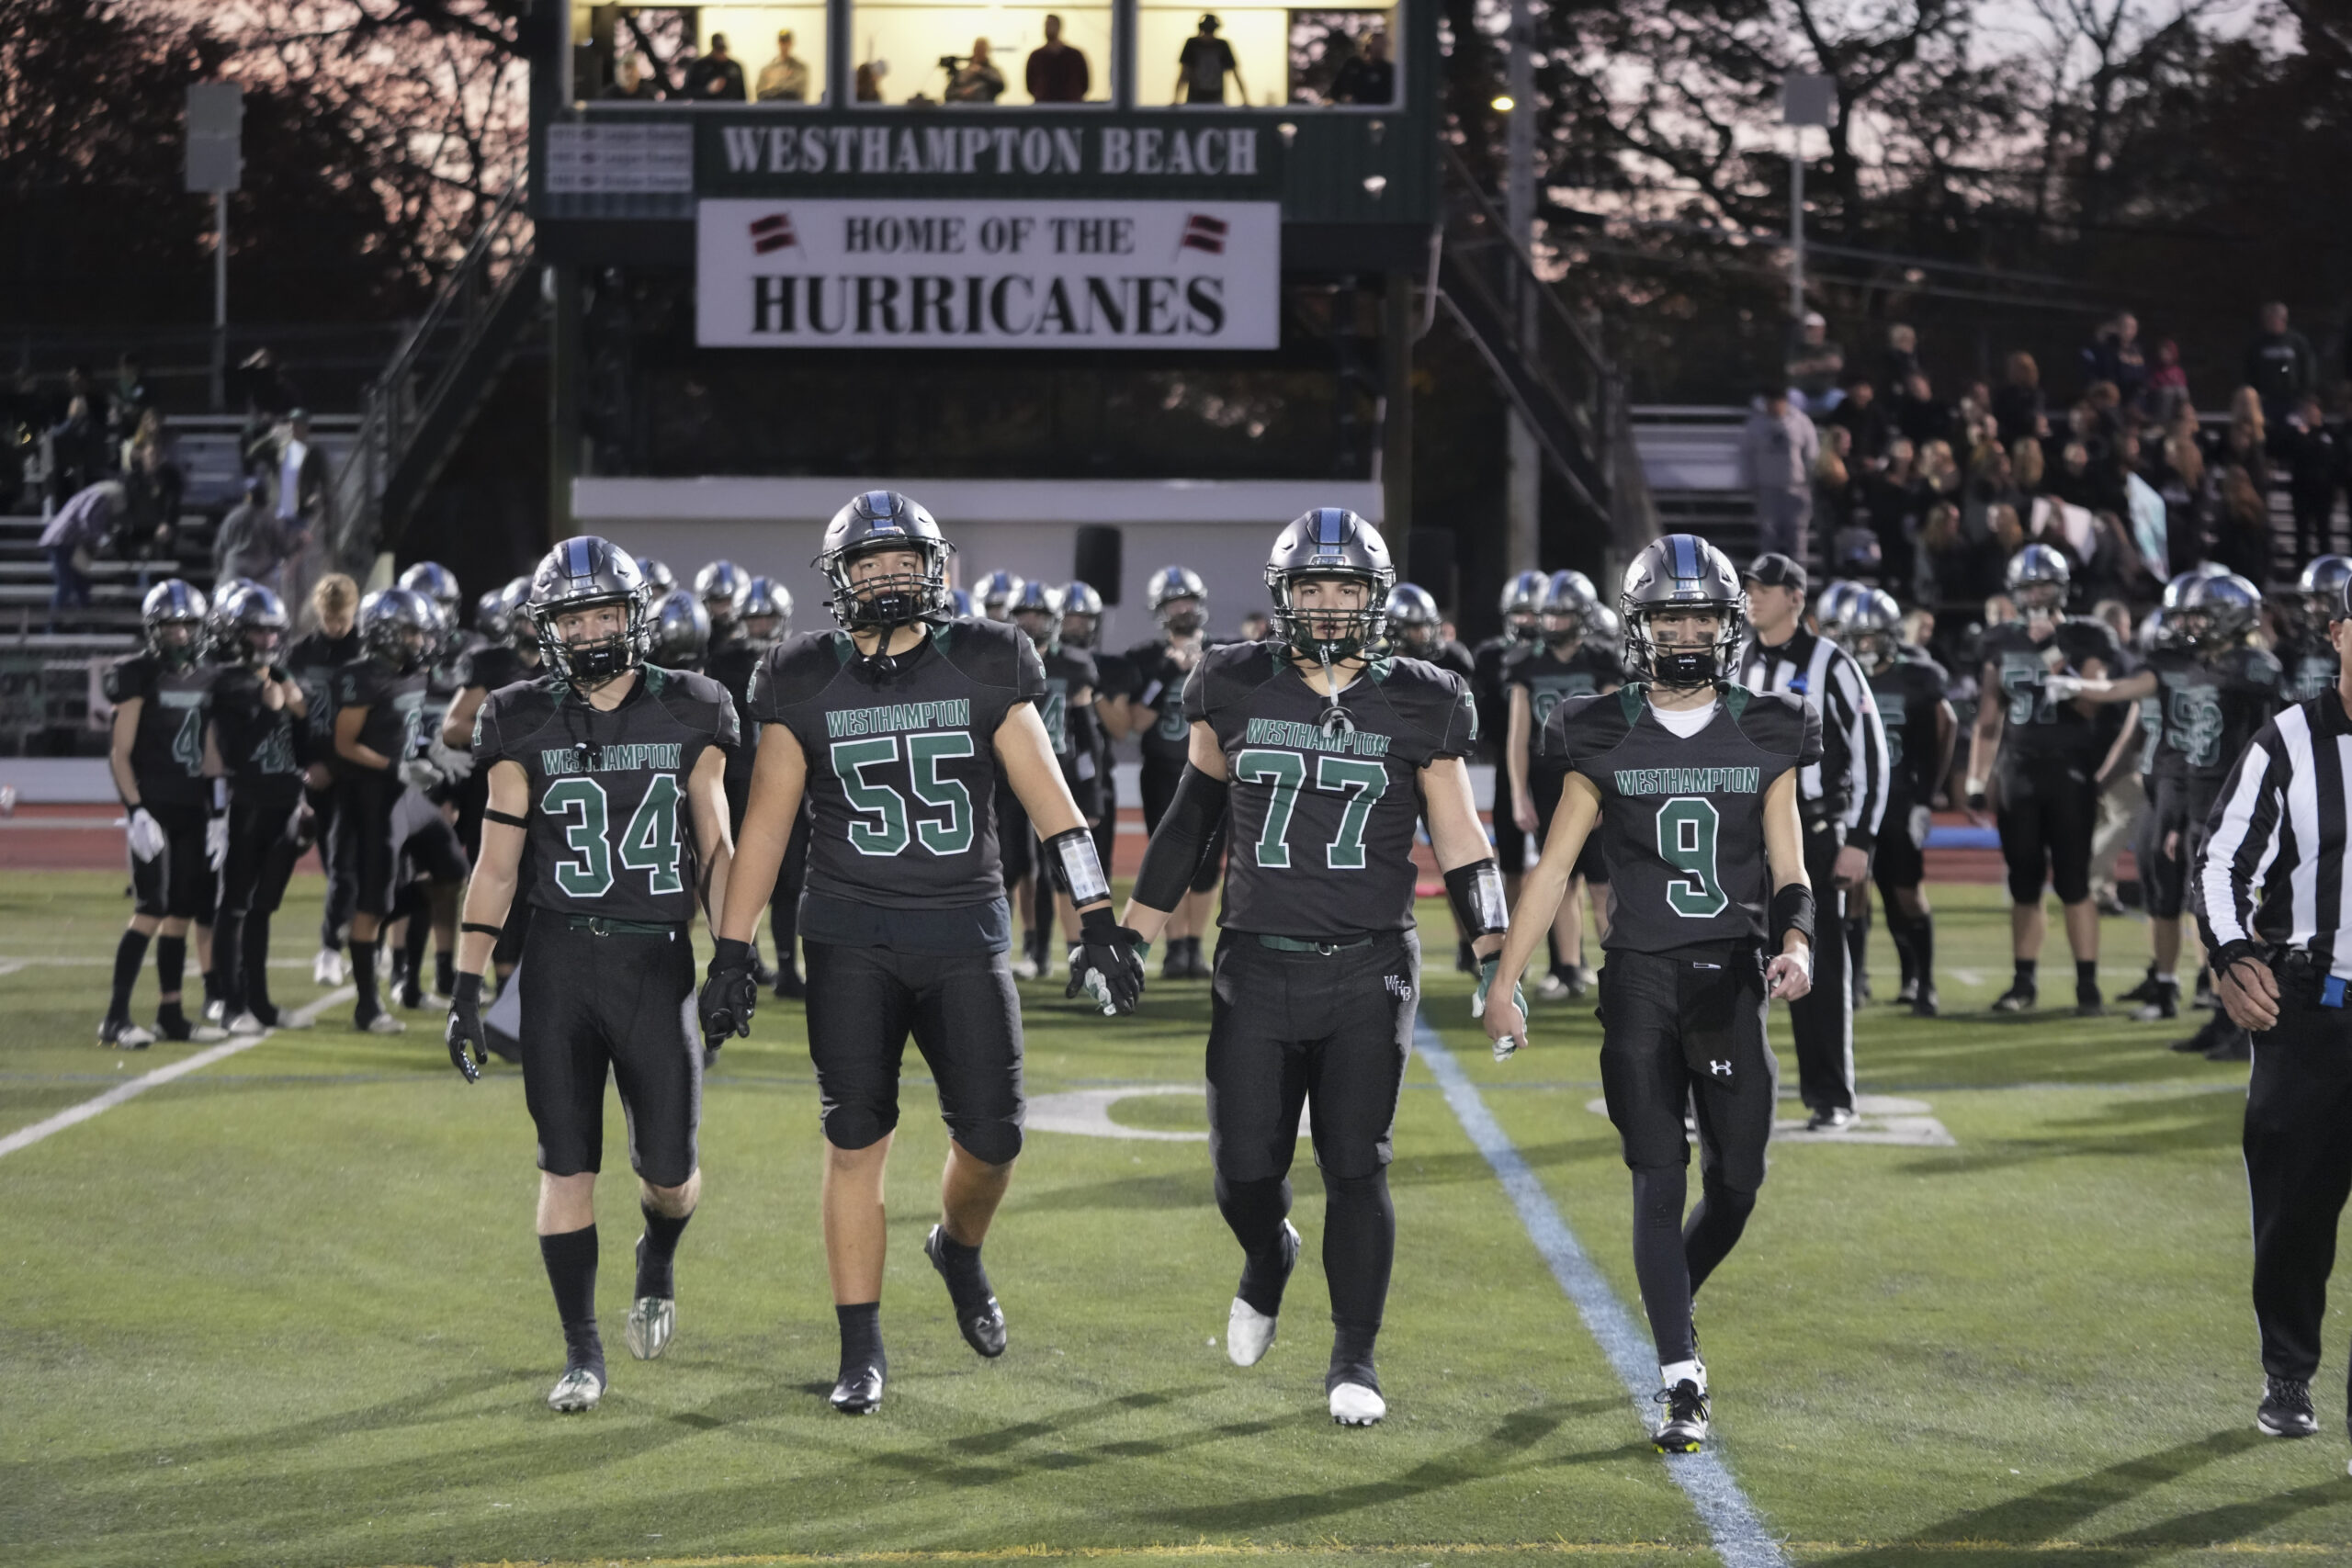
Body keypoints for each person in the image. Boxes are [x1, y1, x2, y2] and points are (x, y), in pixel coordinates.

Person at [700, 491, 1137, 1417]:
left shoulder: (985, 659)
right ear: (841, 578)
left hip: (965, 933)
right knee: (854, 1138)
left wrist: (1096, 920)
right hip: (849, 938)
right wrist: (731, 953)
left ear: (936, 571)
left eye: (906, 562)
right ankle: (859, 1347)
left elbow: (1055, 808)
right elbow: (766, 831)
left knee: (994, 1136)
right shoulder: (800, 675)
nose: (890, 577)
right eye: (872, 563)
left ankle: (957, 1246)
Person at [1116, 509, 1494, 1427]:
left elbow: (1462, 842)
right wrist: (1129, 932)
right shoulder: (1234, 682)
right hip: (1255, 960)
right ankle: (1266, 1255)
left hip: (1369, 968)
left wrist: (1497, 958)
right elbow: (1189, 818)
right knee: (1243, 1171)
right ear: (1284, 599)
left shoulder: (1421, 696)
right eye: (1313, 590)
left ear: (1375, 599)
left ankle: (1352, 1359)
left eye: (1347, 591)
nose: (1329, 609)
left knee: (1355, 1165)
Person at [1481, 533, 1818, 1454]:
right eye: (1667, 613)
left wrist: (1798, 943)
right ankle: (1681, 1375)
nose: (1684, 629)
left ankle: (1672, 1297)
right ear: (1636, 626)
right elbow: (1553, 871)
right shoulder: (1598, 725)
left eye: (1700, 613)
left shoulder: (1768, 725)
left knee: (1738, 1182)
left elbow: (1791, 865)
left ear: (1727, 624)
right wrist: (1504, 979)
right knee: (1654, 1176)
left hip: (1727, 980)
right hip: (1635, 981)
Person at [443, 537, 739, 1415]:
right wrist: (465, 989)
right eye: (576, 615)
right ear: (549, 627)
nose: (594, 628)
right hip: (560, 960)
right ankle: (581, 1350)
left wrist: (735, 952)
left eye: (607, 611)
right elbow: (495, 867)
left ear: (635, 615)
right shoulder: (516, 714)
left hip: (657, 961)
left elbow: (717, 843)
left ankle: (658, 1253)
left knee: (670, 1174)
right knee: (565, 1165)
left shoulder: (693, 707)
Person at [2190, 570, 2352, 1448]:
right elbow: (2221, 864)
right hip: (2312, 1009)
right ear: (2337, 635)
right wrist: (2232, 951)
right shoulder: (2288, 741)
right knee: (2293, 1214)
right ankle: (2288, 1372)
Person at [2056, 574, 2280, 1055]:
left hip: (2237, 806)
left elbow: (2274, 734)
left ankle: (2250, 1021)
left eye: (2201, 614)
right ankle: (2225, 1018)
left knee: (2241, 917)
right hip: (2203, 802)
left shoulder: (2256, 666)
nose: (2192, 625)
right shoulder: (2203, 665)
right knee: (2215, 917)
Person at [1735, 555, 1888, 1127]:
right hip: (1746, 834)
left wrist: (1863, 837)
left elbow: (1874, 753)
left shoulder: (1834, 663)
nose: (1753, 597)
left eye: (1765, 589)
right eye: (1749, 588)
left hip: (1817, 829)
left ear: (1796, 598)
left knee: (1815, 967)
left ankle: (1830, 1095)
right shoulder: (1737, 660)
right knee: (1729, 964)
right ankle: (1723, 1093)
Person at [1964, 545, 2125, 1017]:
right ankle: (2024, 982)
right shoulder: (1999, 640)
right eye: (2029, 585)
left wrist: (2051, 650)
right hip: (2018, 771)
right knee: (2024, 883)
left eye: (2044, 584)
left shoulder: (2087, 634)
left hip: (2069, 770)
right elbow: (1989, 718)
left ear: (2061, 587)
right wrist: (1977, 777)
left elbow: (2092, 701)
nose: (2036, 593)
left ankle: (2088, 985)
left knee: (2075, 882)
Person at [98, 581, 226, 1049]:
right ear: (154, 630)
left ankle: (170, 1013)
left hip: (192, 806)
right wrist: (134, 811)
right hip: (153, 807)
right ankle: (115, 1018)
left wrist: (217, 811)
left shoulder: (209, 673)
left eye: (186, 625)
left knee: (181, 914)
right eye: (169, 626)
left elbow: (210, 746)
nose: (178, 634)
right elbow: (119, 753)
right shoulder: (137, 674)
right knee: (150, 909)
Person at [1823, 586, 1951, 1015]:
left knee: (1907, 893)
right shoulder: (1839, 676)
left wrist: (1925, 798)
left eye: (1872, 636)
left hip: (1897, 799)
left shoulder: (1917, 677)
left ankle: (1923, 982)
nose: (1864, 646)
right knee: (1853, 889)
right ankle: (1854, 982)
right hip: (1854, 801)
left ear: (1891, 635)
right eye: (1857, 637)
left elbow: (1941, 731)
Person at [331, 587, 451, 1034]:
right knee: (375, 902)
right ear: (382, 632)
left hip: (407, 793)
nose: (419, 642)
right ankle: (367, 1005)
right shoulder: (360, 676)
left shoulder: (415, 673)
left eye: (422, 633)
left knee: (451, 868)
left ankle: (362, 924)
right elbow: (344, 744)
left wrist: (427, 756)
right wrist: (395, 767)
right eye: (410, 632)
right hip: (372, 797)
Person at [1506, 571, 1624, 1000]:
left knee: (1602, 883)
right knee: (1561, 880)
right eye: (1549, 615)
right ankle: (1570, 969)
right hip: (1548, 781)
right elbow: (1518, 736)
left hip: (1595, 780)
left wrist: (1611, 792)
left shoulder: (1601, 658)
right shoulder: (1527, 663)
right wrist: (1519, 792)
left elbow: (1617, 729)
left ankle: (1619, 971)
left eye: (1561, 615)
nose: (1552, 623)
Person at [205, 584, 309, 1034]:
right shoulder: (227, 682)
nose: (268, 640)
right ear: (233, 634)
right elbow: (236, 753)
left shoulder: (278, 676)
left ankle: (260, 1002)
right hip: (247, 803)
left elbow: (301, 746)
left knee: (263, 908)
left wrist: (296, 709)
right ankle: (230, 1004)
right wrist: (270, 712)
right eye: (257, 632)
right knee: (235, 907)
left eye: (273, 632)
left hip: (283, 802)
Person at [703, 575, 804, 995]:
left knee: (792, 875)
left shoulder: (799, 659)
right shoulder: (725, 660)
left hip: (794, 778)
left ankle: (786, 967)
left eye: (768, 620)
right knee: (746, 869)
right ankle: (746, 957)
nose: (761, 628)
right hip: (742, 778)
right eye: (754, 620)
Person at [1125, 567, 1222, 978]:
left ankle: (1195, 946)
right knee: (1168, 858)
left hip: (1213, 772)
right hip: (1163, 771)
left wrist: (1203, 670)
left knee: (1209, 864)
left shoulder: (1221, 655)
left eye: (1188, 601)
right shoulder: (1145, 659)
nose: (1183, 609)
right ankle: (1173, 946)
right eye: (1174, 602)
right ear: (1160, 609)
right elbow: (1137, 721)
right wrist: (1166, 673)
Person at [1007, 581, 1102, 978]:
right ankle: (1007, 948)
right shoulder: (1000, 663)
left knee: (1053, 870)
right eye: (1023, 615)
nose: (1031, 622)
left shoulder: (1075, 665)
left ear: (1054, 620)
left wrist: (1091, 791)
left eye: (1038, 615)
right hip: (1008, 777)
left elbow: (1088, 735)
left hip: (1057, 777)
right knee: (1008, 865)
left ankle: (1045, 953)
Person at [287, 574, 362, 987]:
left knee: (348, 863)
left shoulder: (365, 652)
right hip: (311, 774)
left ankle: (333, 947)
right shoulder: (300, 653)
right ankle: (343, 939)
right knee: (336, 865)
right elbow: (291, 718)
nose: (335, 625)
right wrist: (303, 768)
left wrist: (332, 764)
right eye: (329, 618)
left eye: (342, 617)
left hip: (352, 772)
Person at [1737, 389, 1819, 564]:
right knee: (1768, 537)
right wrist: (1749, 481)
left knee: (1797, 537)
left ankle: (1797, 585)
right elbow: (1746, 455)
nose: (1774, 406)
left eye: (1778, 401)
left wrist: (1810, 482)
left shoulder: (1802, 423)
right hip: (1767, 488)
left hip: (1796, 487)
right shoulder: (1756, 425)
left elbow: (1811, 455)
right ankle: (1768, 584)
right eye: (1770, 402)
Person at [38, 479, 127, 623]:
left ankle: (85, 622)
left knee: (82, 584)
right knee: (65, 585)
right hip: (63, 540)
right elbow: (87, 520)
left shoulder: (92, 493)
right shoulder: (100, 498)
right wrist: (103, 540)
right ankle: (52, 625)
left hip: (72, 541)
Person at [2282, 395, 2346, 564]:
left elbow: (2336, 460)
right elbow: (2291, 454)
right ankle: (2301, 568)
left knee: (2323, 533)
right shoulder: (2297, 435)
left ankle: (2327, 567)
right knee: (2301, 532)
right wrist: (2302, 434)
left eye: (2313, 409)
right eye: (2306, 410)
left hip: (2324, 492)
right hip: (2302, 490)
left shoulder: (2329, 433)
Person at [212, 475, 294, 591]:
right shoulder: (271, 518)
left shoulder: (233, 517)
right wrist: (298, 543)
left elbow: (219, 551)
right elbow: (284, 549)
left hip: (234, 576)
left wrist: (219, 575)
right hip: (261, 579)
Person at [2244, 302, 2317, 425]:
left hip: (2293, 400)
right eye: (2267, 319)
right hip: (2266, 399)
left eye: (2273, 319)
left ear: (2283, 319)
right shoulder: (2258, 344)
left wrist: (2306, 393)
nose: (2270, 323)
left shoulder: (2297, 342)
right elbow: (2249, 370)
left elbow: (2307, 368)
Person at [1175, 14, 1245, 106]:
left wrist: (1245, 99)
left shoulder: (1222, 45)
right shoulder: (1192, 44)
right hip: (1195, 98)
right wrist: (1176, 99)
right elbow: (1184, 72)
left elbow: (1235, 73)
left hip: (1215, 98)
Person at [1784, 311, 1844, 415]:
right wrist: (1824, 364)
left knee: (1839, 397)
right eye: (1808, 328)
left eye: (1814, 328)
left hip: (1826, 394)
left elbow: (1836, 365)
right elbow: (1791, 370)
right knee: (1791, 395)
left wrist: (1810, 365)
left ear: (1822, 330)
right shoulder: (1797, 348)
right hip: (1803, 395)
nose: (1811, 332)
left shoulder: (1832, 347)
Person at [1025, 15, 1090, 102]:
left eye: (1051, 25)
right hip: (1044, 105)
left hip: (1070, 106)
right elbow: (1030, 84)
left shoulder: (1075, 56)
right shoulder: (1036, 56)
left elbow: (1084, 83)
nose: (1048, 28)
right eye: (1046, 25)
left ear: (1059, 27)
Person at [1328, 28, 1393, 104]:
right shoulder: (1352, 64)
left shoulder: (1389, 70)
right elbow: (1336, 91)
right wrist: (1344, 98)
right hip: (1354, 112)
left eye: (1382, 44)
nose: (1379, 48)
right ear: (1367, 45)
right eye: (1376, 44)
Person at [683, 31, 748, 100]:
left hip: (731, 108)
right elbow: (688, 92)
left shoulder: (735, 66)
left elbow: (742, 95)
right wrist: (707, 90)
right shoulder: (698, 66)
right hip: (707, 108)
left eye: (723, 50)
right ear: (713, 49)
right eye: (718, 50)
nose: (721, 54)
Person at [756, 29, 811, 101]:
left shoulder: (800, 68)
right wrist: (784, 81)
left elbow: (798, 93)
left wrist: (773, 83)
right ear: (778, 42)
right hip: (771, 110)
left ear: (791, 43)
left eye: (786, 41)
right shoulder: (765, 70)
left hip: (792, 110)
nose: (784, 45)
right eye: (782, 41)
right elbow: (760, 94)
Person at [946, 39, 1006, 103]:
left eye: (982, 49)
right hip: (964, 110)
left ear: (987, 51)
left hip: (986, 110)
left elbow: (1000, 87)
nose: (979, 52)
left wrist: (981, 72)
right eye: (977, 49)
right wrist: (962, 92)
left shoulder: (993, 71)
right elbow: (948, 94)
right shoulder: (963, 73)